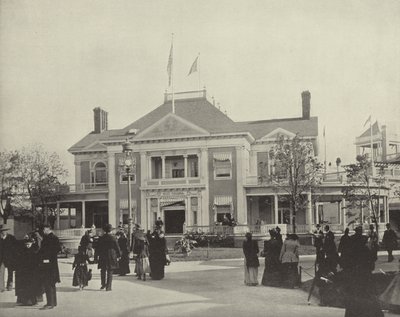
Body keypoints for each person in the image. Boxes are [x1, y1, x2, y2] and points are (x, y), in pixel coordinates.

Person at [343, 226, 383, 317]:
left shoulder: (352, 241)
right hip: (365, 277)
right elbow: (372, 261)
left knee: (354, 299)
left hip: (354, 276)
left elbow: (347, 259)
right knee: (368, 298)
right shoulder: (365, 247)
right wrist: (374, 248)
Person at [38, 224, 61, 309]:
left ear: (48, 229)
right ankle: (53, 302)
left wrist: (47, 258)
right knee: (51, 284)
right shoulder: (51, 237)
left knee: (48, 283)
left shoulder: (51, 238)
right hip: (52, 264)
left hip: (49, 265)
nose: (43, 231)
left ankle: (49, 304)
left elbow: (56, 249)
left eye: (44, 230)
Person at [15, 236, 40, 306]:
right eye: (26, 244)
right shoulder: (22, 251)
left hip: (32, 272)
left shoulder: (34, 251)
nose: (27, 246)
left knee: (32, 286)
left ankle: (33, 301)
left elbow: (36, 262)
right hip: (24, 272)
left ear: (31, 244)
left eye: (28, 244)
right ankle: (24, 301)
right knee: (25, 287)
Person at [95, 224, 121, 291]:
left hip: (102, 255)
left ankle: (103, 284)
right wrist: (119, 255)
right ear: (110, 230)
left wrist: (96, 256)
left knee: (103, 270)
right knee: (110, 271)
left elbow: (97, 248)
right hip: (111, 255)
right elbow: (117, 247)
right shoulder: (113, 238)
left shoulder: (101, 238)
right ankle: (108, 287)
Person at [0, 225, 17, 291]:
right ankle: (1, 287)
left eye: (5, 230)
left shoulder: (11, 238)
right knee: (1, 272)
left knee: (10, 272)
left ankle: (9, 286)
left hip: (10, 258)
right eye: (2, 231)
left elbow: (15, 248)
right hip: (1, 259)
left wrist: (14, 257)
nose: (4, 232)